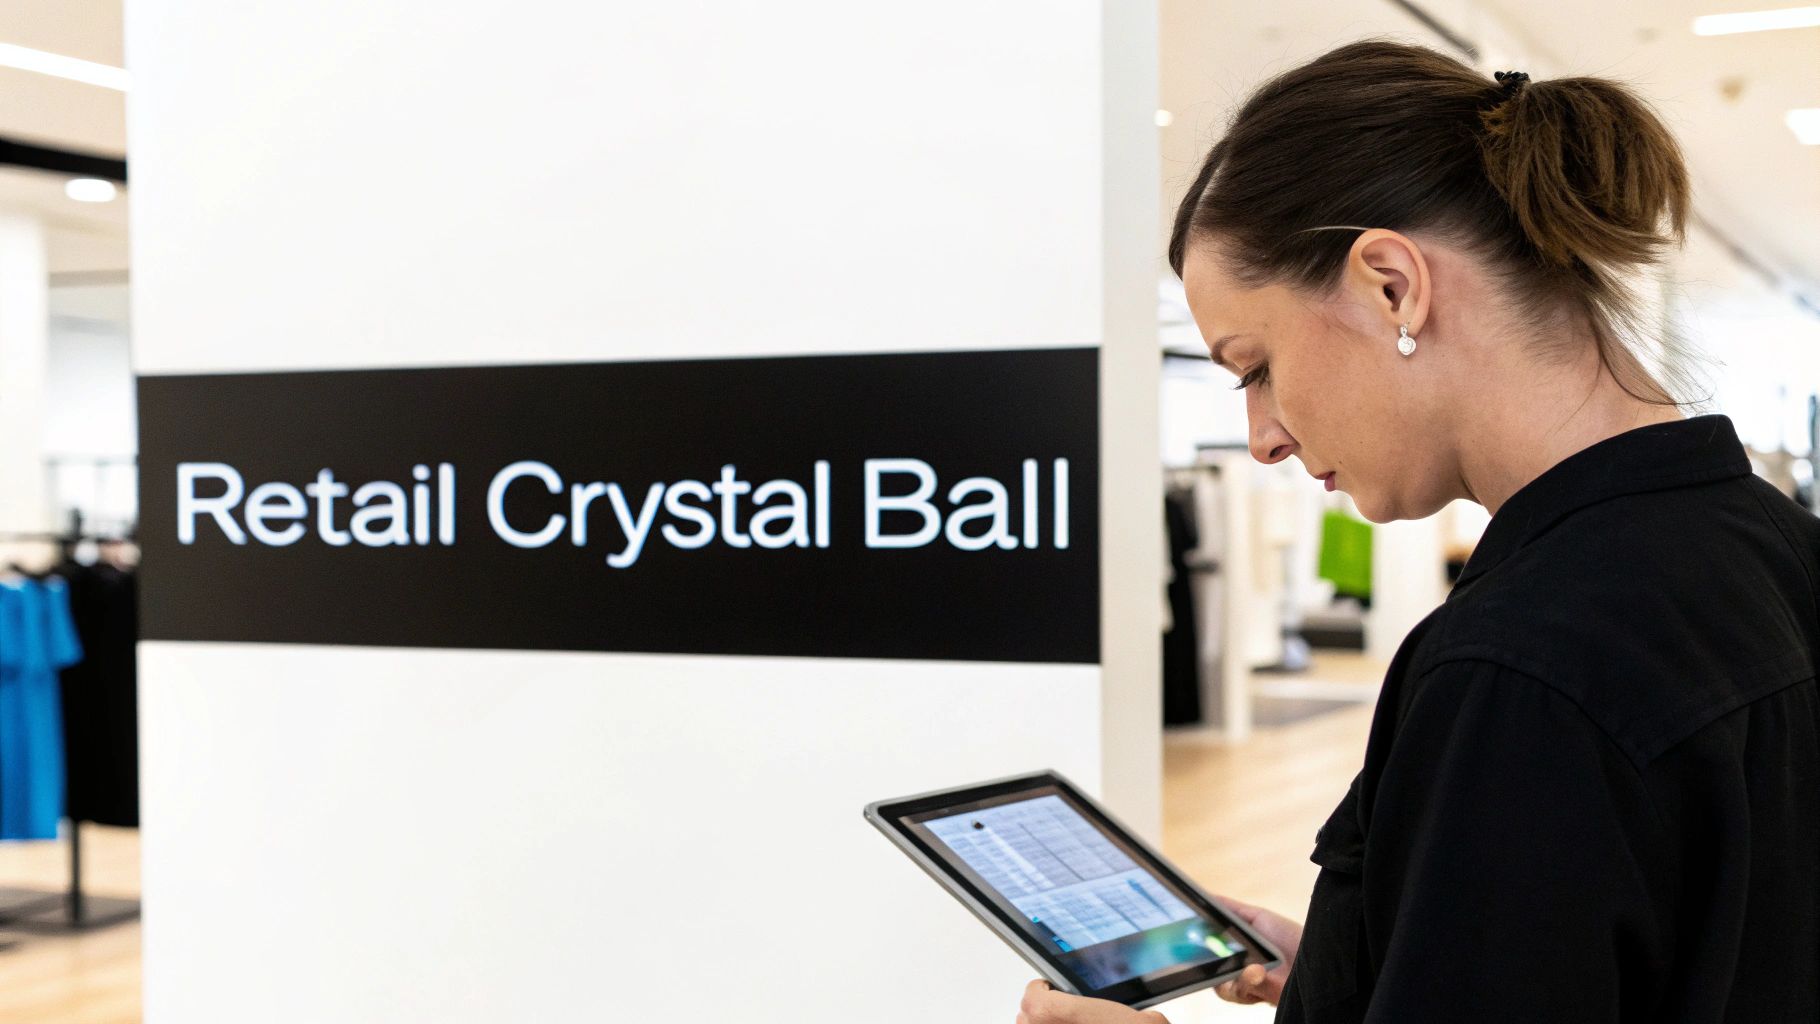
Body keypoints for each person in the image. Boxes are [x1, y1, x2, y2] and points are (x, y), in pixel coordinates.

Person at [1015, 39, 1820, 1024]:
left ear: (1390, 285)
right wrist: (1362, 957)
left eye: (1253, 363)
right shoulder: (1773, 546)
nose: (1260, 438)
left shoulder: (1520, 664)